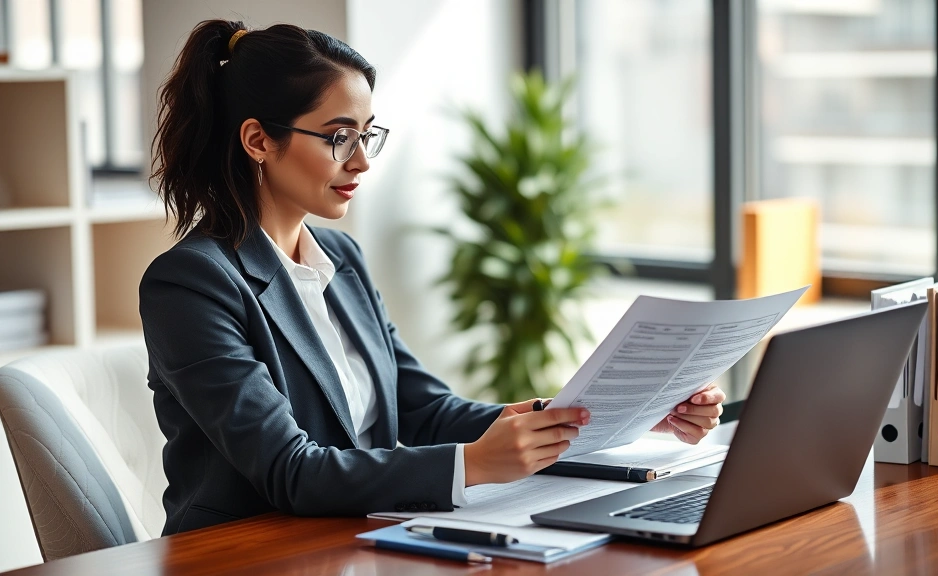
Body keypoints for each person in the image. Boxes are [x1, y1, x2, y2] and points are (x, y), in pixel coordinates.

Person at [141, 20, 726, 536]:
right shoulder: (191, 284)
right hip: (250, 551)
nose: (363, 161)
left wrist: (614, 410)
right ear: (258, 140)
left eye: (366, 134)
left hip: (359, 532)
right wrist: (474, 464)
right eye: (339, 137)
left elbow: (422, 410)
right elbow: (290, 472)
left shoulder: (341, 259)